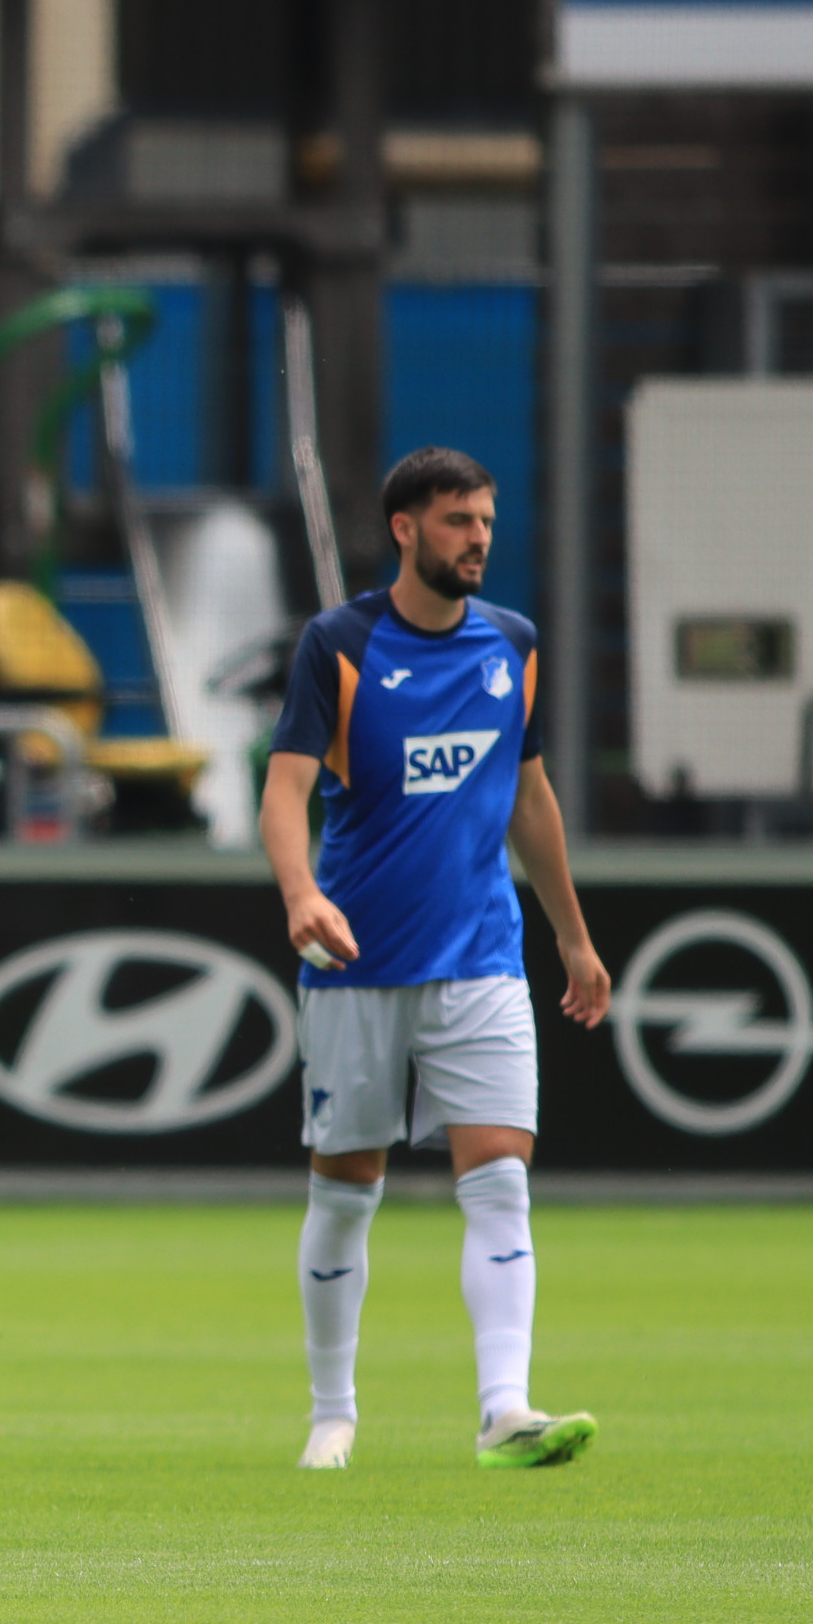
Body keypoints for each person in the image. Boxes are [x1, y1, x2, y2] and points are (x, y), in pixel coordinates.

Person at [264, 446, 609, 1473]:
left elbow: (530, 799)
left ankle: (505, 1406)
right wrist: (301, 893)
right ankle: (334, 1410)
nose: (479, 539)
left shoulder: (514, 644)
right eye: (459, 521)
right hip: (358, 962)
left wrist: (574, 936)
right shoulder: (340, 644)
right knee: (344, 1188)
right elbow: (284, 792)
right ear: (406, 529)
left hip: (481, 960)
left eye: (488, 521)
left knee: (500, 1177)